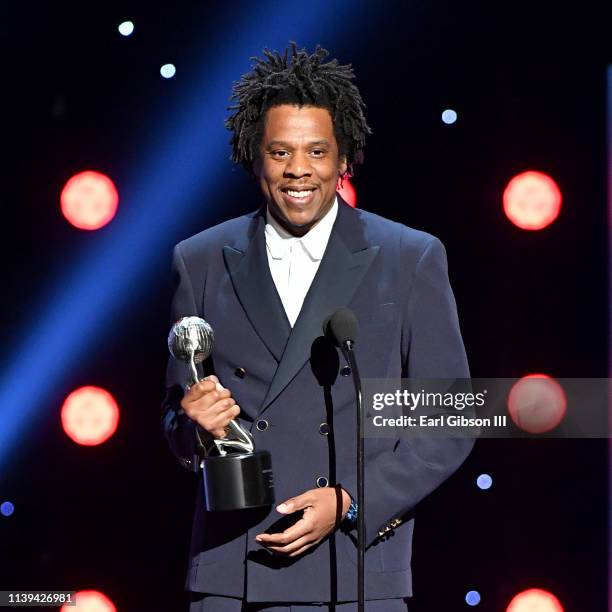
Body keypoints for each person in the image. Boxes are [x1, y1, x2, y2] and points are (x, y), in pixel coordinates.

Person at [162, 42, 473, 612]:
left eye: (316, 152)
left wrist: (352, 501)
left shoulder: (409, 257)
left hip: (352, 571)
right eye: (279, 152)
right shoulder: (200, 259)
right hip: (235, 568)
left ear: (343, 158)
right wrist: (194, 427)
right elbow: (176, 422)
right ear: (254, 157)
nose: (298, 170)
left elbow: (450, 421)